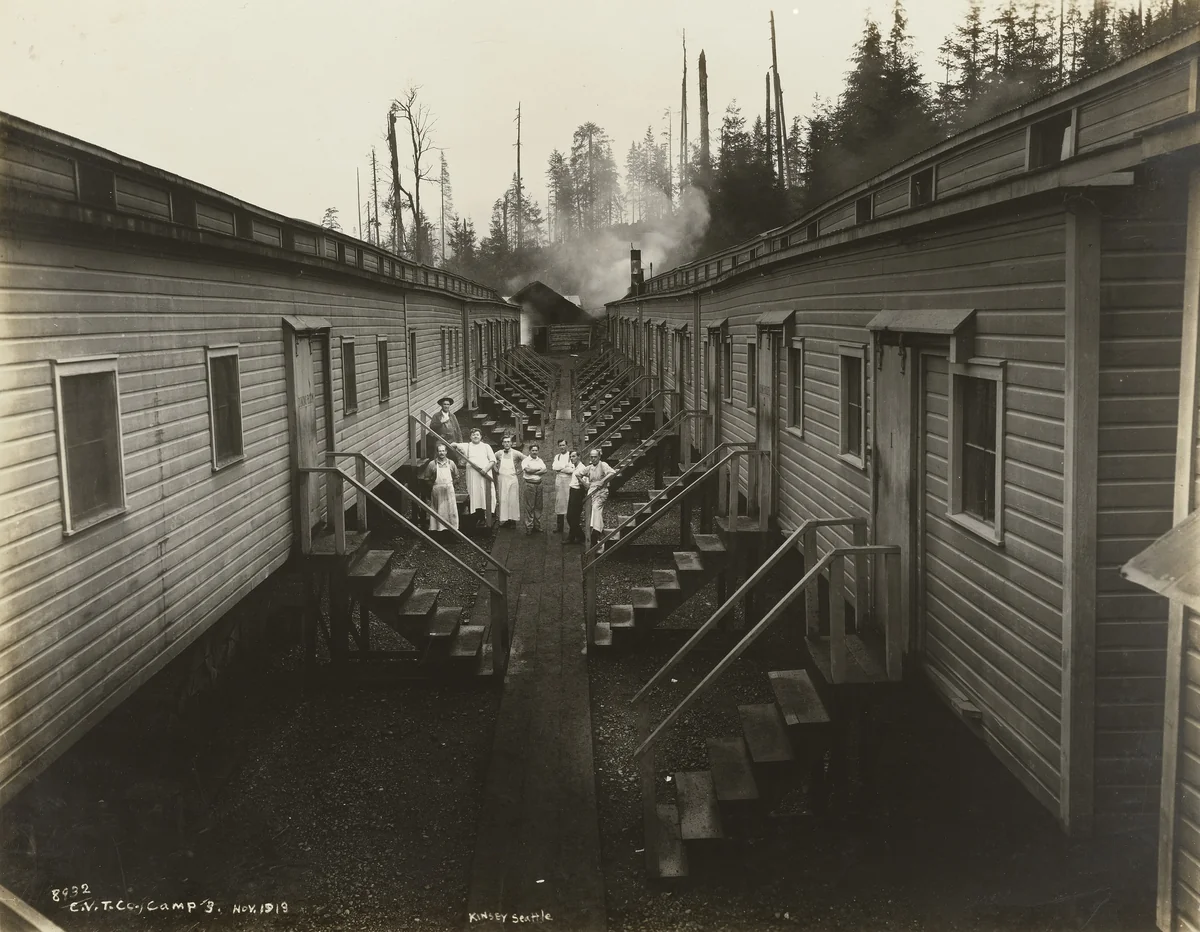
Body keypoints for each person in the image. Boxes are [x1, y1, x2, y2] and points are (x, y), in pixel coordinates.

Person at [450, 429, 496, 530]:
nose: (475, 436)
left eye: (477, 435)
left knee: (486, 493)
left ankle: (489, 514)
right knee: (475, 494)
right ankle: (479, 516)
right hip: (473, 474)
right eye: (473, 435)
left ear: (481, 436)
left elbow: (492, 460)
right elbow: (454, 444)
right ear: (470, 437)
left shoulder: (486, 446)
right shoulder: (467, 446)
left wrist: (485, 469)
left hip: (484, 473)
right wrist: (455, 445)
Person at [419, 443, 459, 535]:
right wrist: (435, 486)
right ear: (437, 452)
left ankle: (453, 532)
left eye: (443, 451)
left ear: (446, 452)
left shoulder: (451, 463)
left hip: (449, 490)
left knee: (451, 511)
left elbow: (457, 476)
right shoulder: (432, 464)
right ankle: (438, 533)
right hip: (437, 491)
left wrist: (452, 485)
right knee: (438, 510)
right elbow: (427, 478)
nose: (441, 453)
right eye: (439, 451)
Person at [583, 448, 617, 545]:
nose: (593, 459)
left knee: (596, 508)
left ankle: (595, 533)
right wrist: (585, 483)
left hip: (601, 492)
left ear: (599, 457)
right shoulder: (590, 467)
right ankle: (599, 530)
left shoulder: (603, 465)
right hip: (592, 492)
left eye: (595, 457)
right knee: (595, 511)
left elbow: (612, 472)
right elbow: (579, 473)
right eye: (591, 457)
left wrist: (603, 481)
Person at [493, 435, 524, 527]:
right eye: (505, 442)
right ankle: (505, 519)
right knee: (503, 499)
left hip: (512, 479)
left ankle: (513, 520)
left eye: (508, 441)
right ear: (502, 443)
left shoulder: (516, 453)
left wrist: (520, 470)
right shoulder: (498, 453)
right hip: (502, 479)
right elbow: (491, 460)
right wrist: (495, 469)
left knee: (513, 499)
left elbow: (526, 459)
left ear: (511, 443)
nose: (506, 443)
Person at [521, 443, 548, 534]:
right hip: (529, 485)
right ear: (529, 451)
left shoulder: (540, 460)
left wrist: (533, 471)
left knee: (538, 506)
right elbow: (527, 470)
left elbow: (545, 470)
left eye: (536, 450)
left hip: (539, 485)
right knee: (529, 506)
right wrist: (538, 470)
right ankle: (529, 526)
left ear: (538, 451)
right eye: (533, 450)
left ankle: (537, 525)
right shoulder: (526, 460)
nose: (534, 452)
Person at [551, 439, 573, 534]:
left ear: (566, 445)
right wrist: (565, 467)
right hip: (559, 482)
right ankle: (559, 527)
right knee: (559, 503)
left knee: (569, 503)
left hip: (568, 482)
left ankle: (571, 528)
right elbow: (554, 467)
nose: (562, 447)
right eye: (560, 445)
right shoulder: (557, 456)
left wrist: (561, 469)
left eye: (563, 445)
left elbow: (572, 469)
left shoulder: (571, 455)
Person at [566, 451, 587, 544]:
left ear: (578, 457)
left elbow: (585, 484)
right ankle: (573, 537)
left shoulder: (582, 468)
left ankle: (581, 536)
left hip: (577, 493)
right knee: (571, 517)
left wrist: (580, 480)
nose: (571, 458)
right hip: (573, 491)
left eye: (573, 456)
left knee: (572, 517)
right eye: (570, 456)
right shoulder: (575, 467)